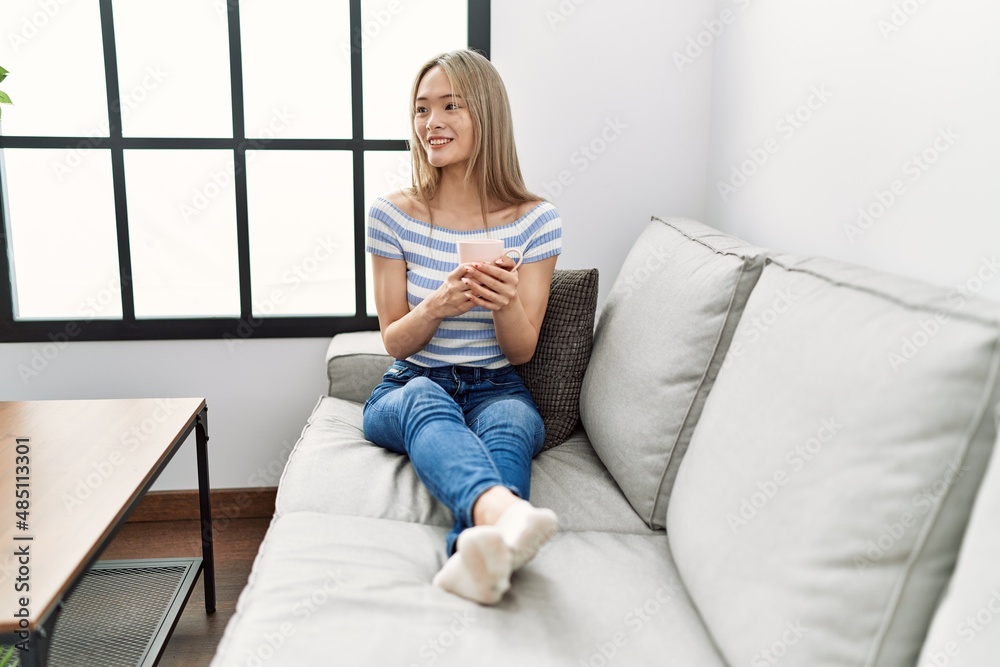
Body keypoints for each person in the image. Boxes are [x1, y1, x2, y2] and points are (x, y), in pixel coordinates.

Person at [363, 49, 562, 605]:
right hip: (408, 383)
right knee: (426, 392)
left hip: (497, 383)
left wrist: (502, 304)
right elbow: (393, 341)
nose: (432, 122)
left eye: (452, 106)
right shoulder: (391, 214)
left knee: (509, 422)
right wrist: (437, 306)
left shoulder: (535, 220)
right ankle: (508, 513)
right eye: (422, 109)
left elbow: (521, 353)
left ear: (488, 115)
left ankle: (472, 557)